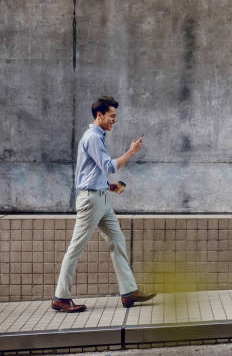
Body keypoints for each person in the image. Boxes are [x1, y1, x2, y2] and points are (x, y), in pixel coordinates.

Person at [51, 96, 156, 312]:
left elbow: (91, 172)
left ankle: (129, 292)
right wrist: (132, 152)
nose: (114, 120)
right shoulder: (92, 138)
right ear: (100, 115)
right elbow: (108, 166)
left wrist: (109, 187)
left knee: (117, 240)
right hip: (91, 200)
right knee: (76, 248)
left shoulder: (97, 137)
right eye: (112, 116)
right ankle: (61, 297)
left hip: (100, 197)